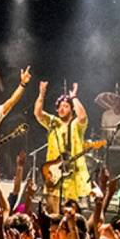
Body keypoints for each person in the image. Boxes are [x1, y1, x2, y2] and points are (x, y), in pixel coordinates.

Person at [34, 82, 90, 213]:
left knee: (69, 211)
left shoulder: (76, 124)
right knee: (51, 211)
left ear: (72, 109)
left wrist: (74, 97)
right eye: (59, 106)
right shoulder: (53, 122)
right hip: (54, 172)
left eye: (65, 106)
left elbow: (82, 116)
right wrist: (41, 93)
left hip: (71, 173)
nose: (61, 109)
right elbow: (38, 113)